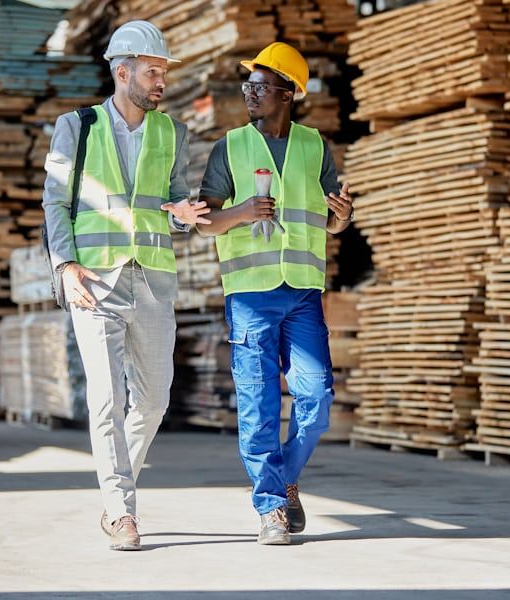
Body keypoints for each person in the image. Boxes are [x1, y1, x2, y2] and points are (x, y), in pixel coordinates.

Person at [42, 20, 210, 551]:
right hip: (95, 281)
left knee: (154, 401)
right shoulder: (78, 127)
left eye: (163, 71)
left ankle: (118, 493)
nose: (161, 81)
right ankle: (121, 510)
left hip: (153, 282)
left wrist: (183, 216)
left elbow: (175, 203)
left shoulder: (172, 132)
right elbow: (55, 202)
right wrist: (65, 266)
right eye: (153, 71)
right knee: (107, 398)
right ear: (123, 71)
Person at [196, 42, 353, 545]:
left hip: (303, 291)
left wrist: (342, 221)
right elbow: (204, 223)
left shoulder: (314, 147)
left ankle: (284, 479)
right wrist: (241, 212)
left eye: (261, 87)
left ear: (289, 94)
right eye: (248, 87)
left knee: (317, 397)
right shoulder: (231, 146)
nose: (251, 95)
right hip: (249, 296)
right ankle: (270, 508)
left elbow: (329, 218)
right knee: (259, 405)